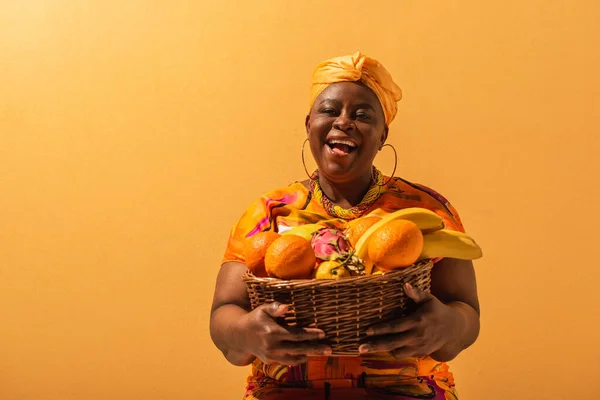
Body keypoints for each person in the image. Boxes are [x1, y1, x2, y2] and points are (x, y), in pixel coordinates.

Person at [210, 52, 480, 400]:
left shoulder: (424, 210)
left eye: (362, 115)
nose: (344, 122)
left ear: (383, 134)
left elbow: (466, 312)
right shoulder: (269, 213)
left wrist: (447, 326)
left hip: (406, 390)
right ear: (309, 124)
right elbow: (223, 313)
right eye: (329, 110)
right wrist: (246, 333)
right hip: (286, 391)